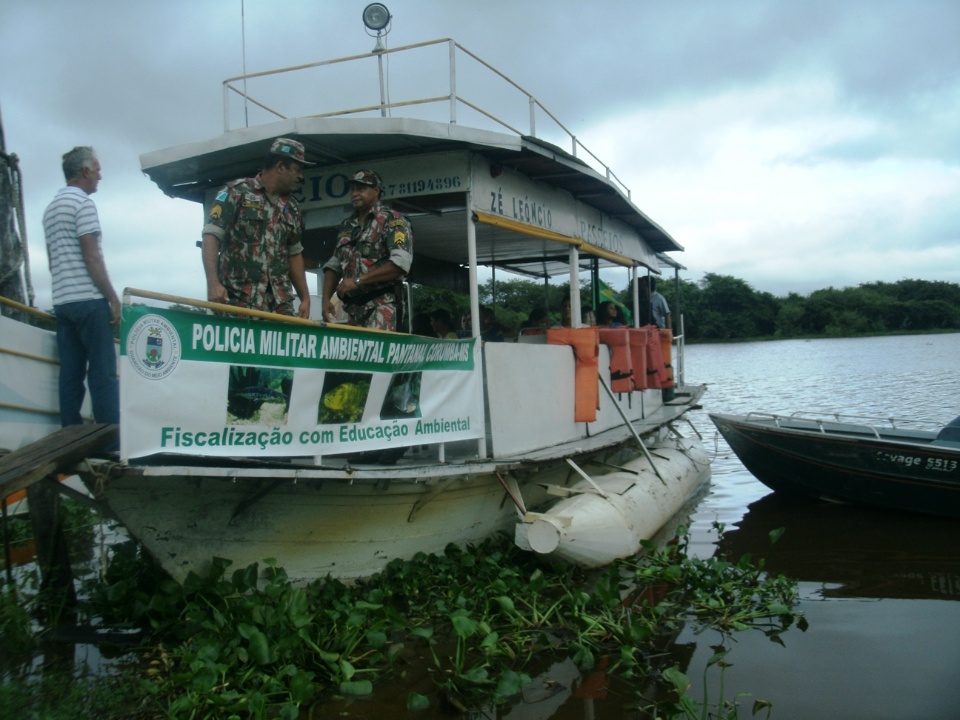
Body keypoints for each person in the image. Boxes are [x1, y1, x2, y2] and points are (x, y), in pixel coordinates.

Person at [43, 146, 120, 428]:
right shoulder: (83, 205)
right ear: (85, 172)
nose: (100, 176)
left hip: (63, 301)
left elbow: (53, 263)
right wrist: (112, 297)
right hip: (88, 301)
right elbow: (92, 256)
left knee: (71, 374)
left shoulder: (50, 209)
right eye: (97, 170)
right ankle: (109, 437)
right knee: (103, 373)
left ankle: (70, 433)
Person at [202, 137, 313, 318]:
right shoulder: (236, 192)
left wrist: (305, 298)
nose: (301, 176)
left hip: (279, 306)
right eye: (297, 169)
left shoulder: (292, 207)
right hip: (239, 300)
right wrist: (213, 283)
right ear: (280, 166)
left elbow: (294, 252)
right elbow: (211, 236)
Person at [322, 170, 413, 331]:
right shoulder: (347, 225)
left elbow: (400, 264)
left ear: (376, 191)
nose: (355, 194)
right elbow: (334, 265)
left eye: (361, 189)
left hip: (383, 305)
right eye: (353, 190)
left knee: (379, 354)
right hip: (353, 309)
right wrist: (325, 300)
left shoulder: (393, 220)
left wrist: (358, 281)